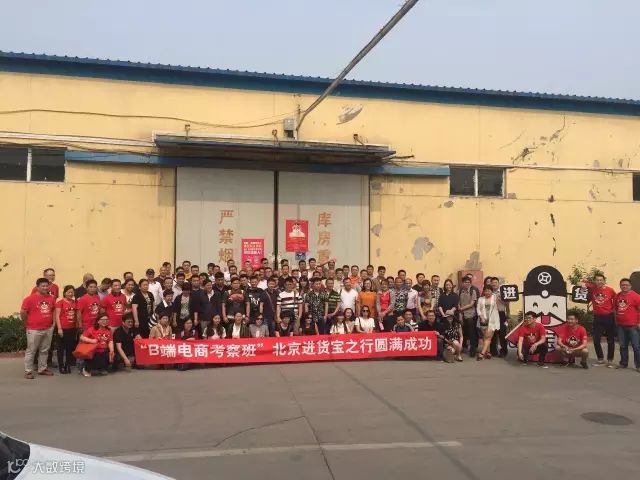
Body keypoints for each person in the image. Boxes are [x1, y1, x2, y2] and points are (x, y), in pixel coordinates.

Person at [21, 278, 56, 379]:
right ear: (37, 287)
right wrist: (26, 323)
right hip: (33, 329)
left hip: (48, 328)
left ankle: (42, 369)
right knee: (31, 350)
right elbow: (23, 312)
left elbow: (53, 310)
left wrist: (53, 323)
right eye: (43, 286)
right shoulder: (29, 299)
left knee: (44, 350)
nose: (45, 288)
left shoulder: (51, 298)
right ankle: (28, 371)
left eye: (46, 286)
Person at [582, 274, 617, 366]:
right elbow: (582, 283)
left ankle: (610, 359)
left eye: (601, 280)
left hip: (609, 317)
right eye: (597, 280)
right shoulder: (593, 288)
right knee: (596, 339)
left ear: (604, 281)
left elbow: (617, 300)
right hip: (597, 317)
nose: (599, 282)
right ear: (595, 281)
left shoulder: (610, 290)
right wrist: (583, 285)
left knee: (610, 340)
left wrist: (613, 311)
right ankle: (600, 358)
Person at [614, 278, 640, 371]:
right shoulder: (617, 296)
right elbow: (616, 309)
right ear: (620, 286)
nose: (624, 286)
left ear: (630, 286)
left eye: (626, 285)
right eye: (622, 285)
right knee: (623, 346)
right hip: (621, 325)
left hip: (633, 325)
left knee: (636, 346)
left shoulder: (636, 296)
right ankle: (623, 363)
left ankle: (638, 366)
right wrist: (617, 320)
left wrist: (639, 322)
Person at [54, 285, 78, 374]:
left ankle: (67, 364)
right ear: (65, 293)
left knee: (69, 348)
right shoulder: (60, 303)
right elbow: (57, 316)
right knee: (61, 348)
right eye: (69, 292)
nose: (71, 294)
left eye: (72, 292)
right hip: (62, 328)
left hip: (72, 328)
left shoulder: (75, 302)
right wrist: (59, 328)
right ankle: (61, 366)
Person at [476, 286, 500, 361]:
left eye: (489, 291)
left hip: (493, 320)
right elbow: (478, 309)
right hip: (483, 320)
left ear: (492, 291)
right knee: (485, 337)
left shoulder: (495, 297)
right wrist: (481, 317)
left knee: (488, 337)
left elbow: (502, 303)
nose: (487, 292)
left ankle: (482, 353)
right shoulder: (480, 299)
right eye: (486, 291)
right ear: (483, 291)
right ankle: (488, 352)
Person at [458, 276, 478, 357]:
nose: (467, 283)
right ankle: (463, 347)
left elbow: (472, 304)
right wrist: (459, 310)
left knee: (471, 333)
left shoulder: (473, 291)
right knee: (463, 331)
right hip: (462, 314)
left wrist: (461, 308)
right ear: (462, 283)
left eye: (468, 282)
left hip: (471, 314)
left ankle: (473, 349)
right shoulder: (459, 291)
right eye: (465, 282)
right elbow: (457, 302)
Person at [490, 277, 509, 358]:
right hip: (492, 314)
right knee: (493, 333)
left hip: (501, 314)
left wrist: (508, 316)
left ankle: (503, 351)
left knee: (502, 333)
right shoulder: (489, 292)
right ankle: (493, 351)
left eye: (495, 282)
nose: (494, 284)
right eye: (493, 282)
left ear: (498, 284)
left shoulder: (503, 292)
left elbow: (507, 305)